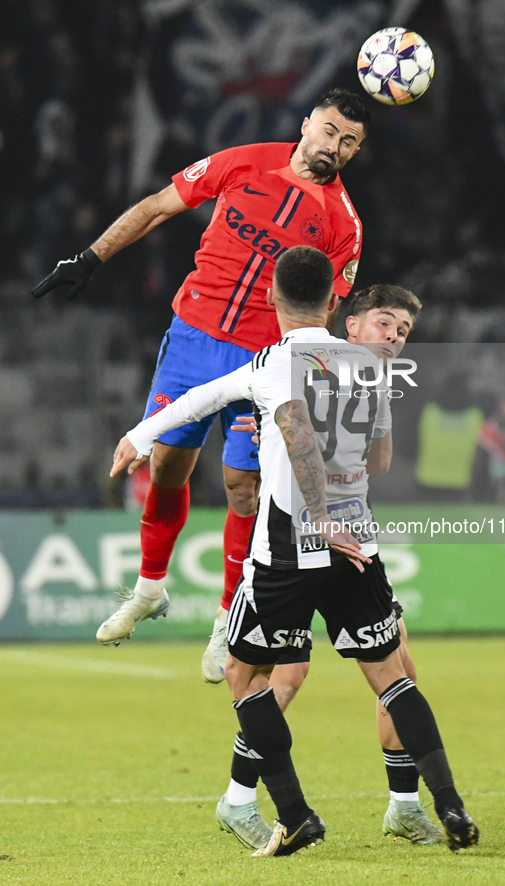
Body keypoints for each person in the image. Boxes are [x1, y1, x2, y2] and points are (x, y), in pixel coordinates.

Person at [111, 246, 479, 856]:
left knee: (242, 674)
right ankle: (448, 804)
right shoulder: (369, 367)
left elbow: (205, 401)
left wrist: (138, 435)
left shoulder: (271, 362)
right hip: (358, 543)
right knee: (393, 677)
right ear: (336, 305)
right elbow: (379, 460)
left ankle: (294, 812)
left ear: (273, 300)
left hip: (292, 546)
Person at [32, 88, 369, 668]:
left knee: (243, 484)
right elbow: (159, 206)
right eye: (329, 131)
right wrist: (90, 258)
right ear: (308, 122)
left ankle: (226, 616)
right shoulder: (244, 160)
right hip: (191, 340)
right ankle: (149, 589)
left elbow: (322, 319)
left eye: (349, 142)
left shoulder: (343, 226)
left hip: (261, 362)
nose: (333, 147)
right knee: (166, 464)